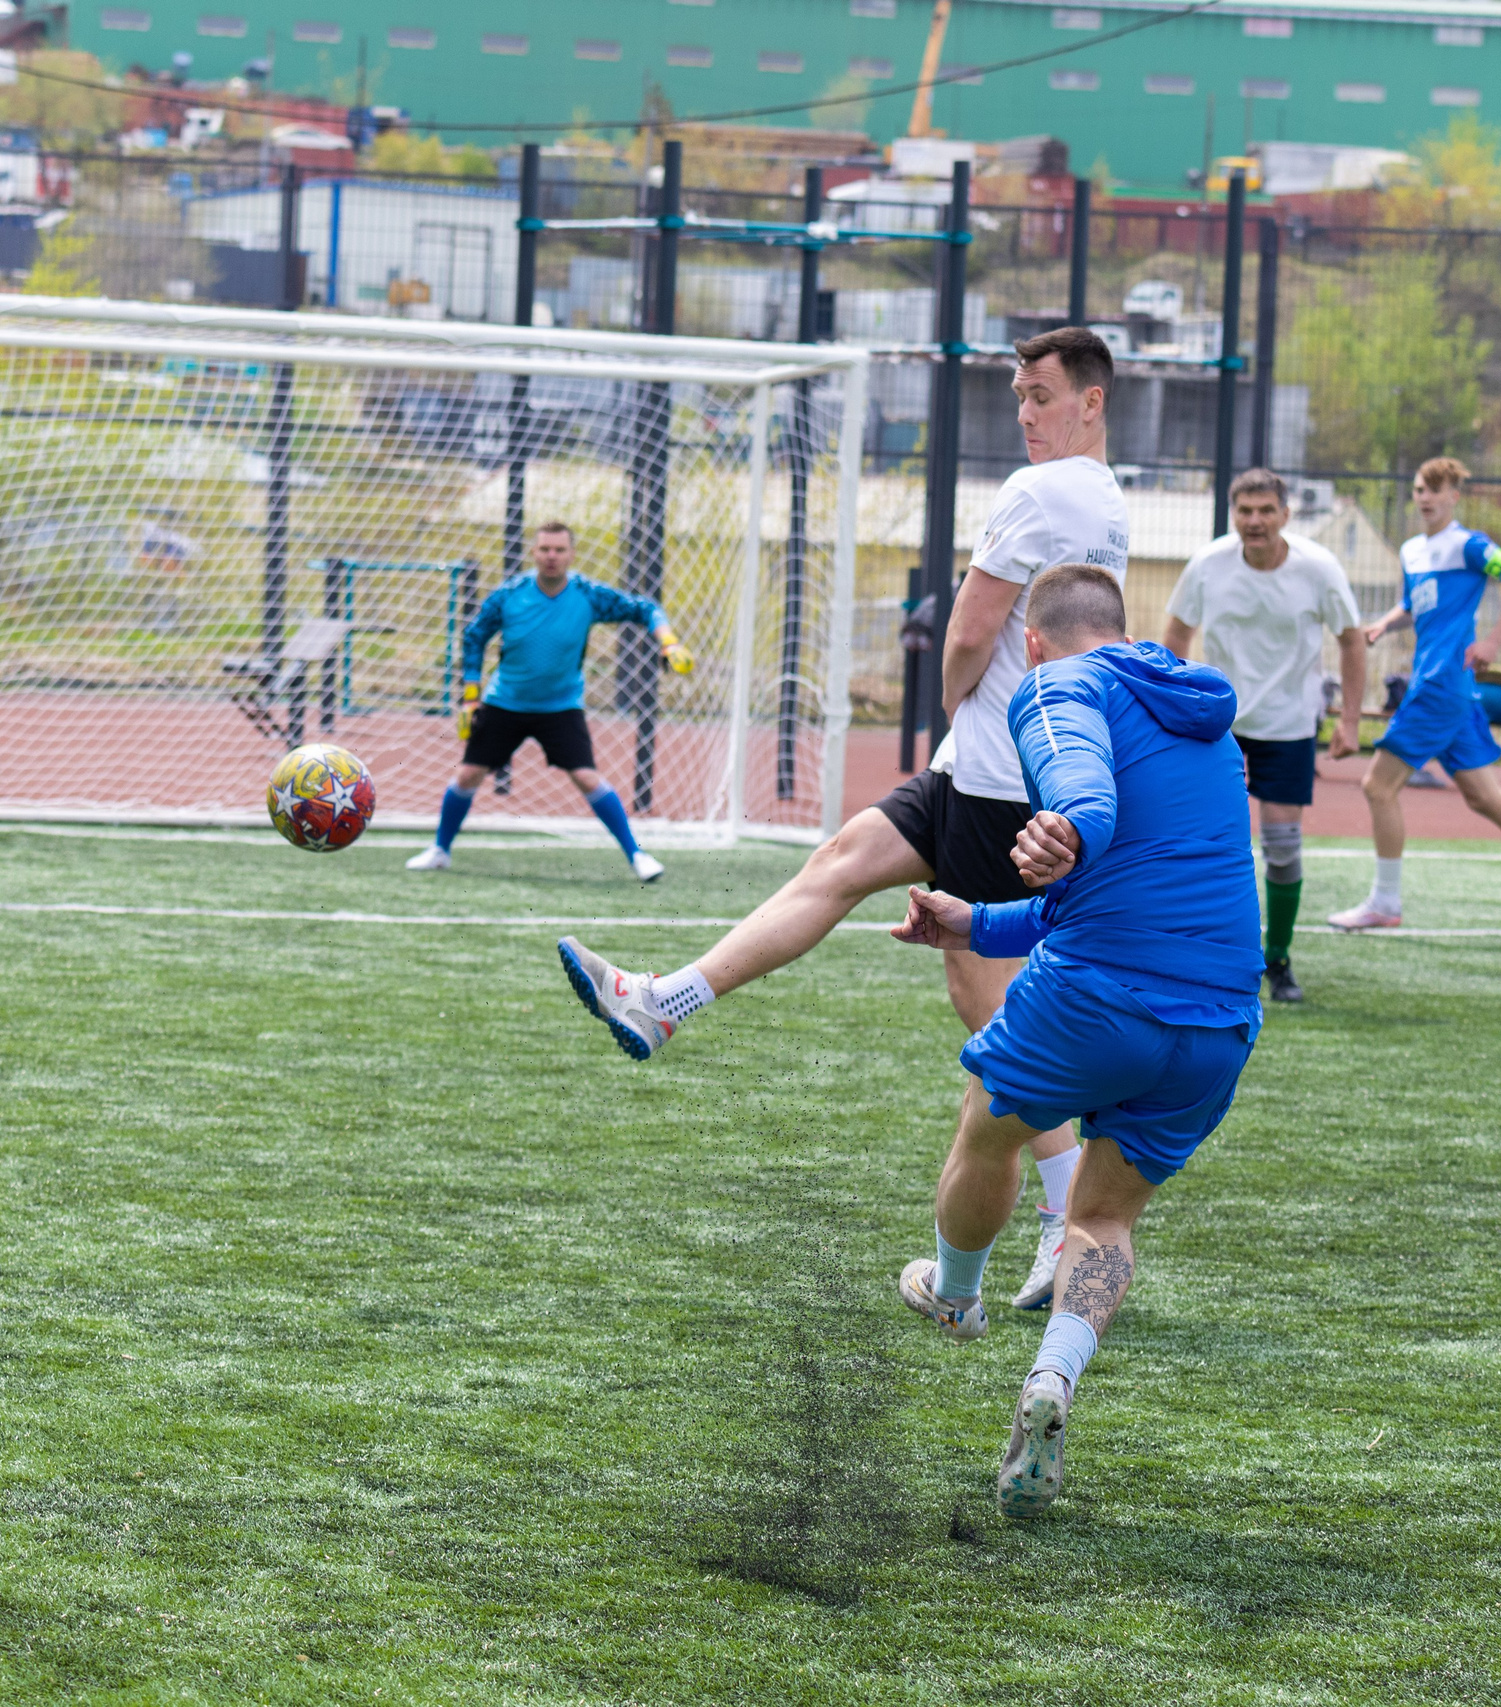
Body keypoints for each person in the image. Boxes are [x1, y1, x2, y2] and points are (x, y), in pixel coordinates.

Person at [558, 326, 1128, 1312]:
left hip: (993, 780)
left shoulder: (1042, 491)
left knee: (989, 1007)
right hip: (986, 769)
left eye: (1039, 395)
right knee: (841, 860)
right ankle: (663, 1004)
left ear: (1090, 399)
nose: (1025, 414)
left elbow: (969, 627)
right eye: (1017, 397)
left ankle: (1056, 1225)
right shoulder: (1107, 499)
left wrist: (958, 702)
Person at [884, 565, 1260, 1521]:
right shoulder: (1200, 722)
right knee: (1105, 1216)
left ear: (1033, 641)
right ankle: (1052, 1378)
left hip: (1099, 995)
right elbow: (1100, 889)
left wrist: (1067, 827)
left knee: (988, 1125)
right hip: (1216, 1022)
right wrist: (974, 922)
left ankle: (955, 1295)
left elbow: (1082, 805)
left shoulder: (1058, 683)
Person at [1326, 457, 1501, 940]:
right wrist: (1386, 623)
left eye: (1434, 489)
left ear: (1454, 497)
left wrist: (1493, 642)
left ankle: (1385, 902)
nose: (1424, 497)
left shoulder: (1469, 545)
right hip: (1452, 689)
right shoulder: (1412, 552)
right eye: (1419, 489)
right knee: (1483, 795)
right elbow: (1415, 603)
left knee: (1377, 787)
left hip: (1441, 683)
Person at [1163, 469, 1367, 1004]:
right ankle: (1200, 955)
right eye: (1245, 511)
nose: (1255, 521)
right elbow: (1177, 634)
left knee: (1281, 848)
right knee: (1199, 843)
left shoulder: (1318, 568)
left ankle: (1277, 961)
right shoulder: (1208, 564)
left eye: (1265, 511)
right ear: (1233, 514)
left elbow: (1351, 640)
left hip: (1288, 725)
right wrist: (1174, 704)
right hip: (1217, 722)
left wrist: (1348, 720)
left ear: (1285, 515)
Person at [405, 521, 694, 882]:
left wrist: (668, 641)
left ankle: (637, 855)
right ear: (534, 553)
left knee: (588, 778)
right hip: (505, 703)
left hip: (560, 707)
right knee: (468, 774)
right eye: (544, 549)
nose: (551, 557)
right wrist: (470, 697)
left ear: (571, 554)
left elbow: (646, 608)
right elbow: (474, 635)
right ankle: (439, 851)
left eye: (559, 550)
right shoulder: (510, 594)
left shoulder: (588, 595)